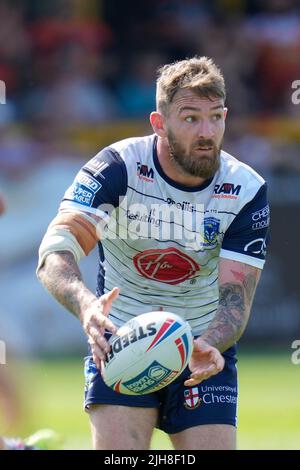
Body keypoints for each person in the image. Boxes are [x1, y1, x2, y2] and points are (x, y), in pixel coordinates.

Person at [36, 56, 270, 450]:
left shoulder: (246, 189)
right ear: (159, 123)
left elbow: (236, 298)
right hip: (123, 340)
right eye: (191, 118)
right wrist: (87, 307)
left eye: (215, 117)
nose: (207, 131)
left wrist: (211, 342)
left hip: (202, 346)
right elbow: (56, 251)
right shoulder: (117, 167)